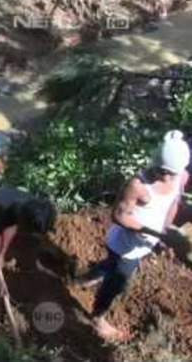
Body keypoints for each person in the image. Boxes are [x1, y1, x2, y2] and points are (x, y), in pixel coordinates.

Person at [77, 130, 189, 341]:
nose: (165, 177)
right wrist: (154, 233)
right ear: (154, 162)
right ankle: (98, 317)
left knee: (112, 266)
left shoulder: (181, 177)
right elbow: (119, 216)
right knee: (118, 283)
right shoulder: (138, 185)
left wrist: (164, 232)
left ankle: (86, 277)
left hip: (145, 242)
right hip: (123, 244)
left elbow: (173, 204)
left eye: (171, 173)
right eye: (161, 170)